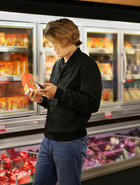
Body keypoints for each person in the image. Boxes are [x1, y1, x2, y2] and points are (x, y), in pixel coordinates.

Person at [28, 18, 102, 185]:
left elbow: (92, 103)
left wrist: (59, 92)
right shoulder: (57, 65)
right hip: (48, 140)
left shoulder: (87, 65)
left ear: (68, 38)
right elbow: (57, 102)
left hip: (70, 143)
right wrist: (41, 99)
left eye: (56, 43)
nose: (53, 48)